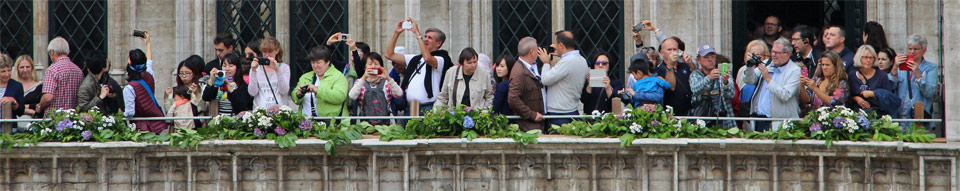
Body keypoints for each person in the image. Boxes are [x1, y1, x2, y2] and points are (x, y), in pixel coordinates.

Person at [384, 18, 453, 113]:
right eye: (425, 37)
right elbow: (389, 54)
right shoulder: (415, 59)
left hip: (429, 108)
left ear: (438, 43)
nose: (425, 39)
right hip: (410, 108)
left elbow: (428, 58)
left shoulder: (442, 58)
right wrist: (396, 33)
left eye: (430, 38)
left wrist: (418, 34)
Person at [743, 38, 802, 131]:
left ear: (787, 54)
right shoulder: (768, 62)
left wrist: (768, 79)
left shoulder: (795, 70)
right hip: (758, 119)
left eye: (777, 53)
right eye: (773, 52)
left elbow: (785, 95)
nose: (773, 55)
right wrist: (749, 67)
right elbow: (749, 80)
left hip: (779, 123)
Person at [537, 31, 588, 126]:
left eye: (556, 43)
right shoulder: (582, 60)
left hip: (559, 115)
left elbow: (545, 79)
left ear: (561, 45)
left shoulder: (567, 62)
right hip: (572, 111)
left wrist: (546, 63)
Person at [123, 31, 168, 133]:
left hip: (141, 128)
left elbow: (130, 113)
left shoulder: (129, 88)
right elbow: (149, 61)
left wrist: (120, 115)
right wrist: (148, 44)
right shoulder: (149, 74)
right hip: (155, 126)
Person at [893, 34, 940, 124]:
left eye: (916, 49)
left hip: (919, 117)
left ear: (924, 50)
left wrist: (917, 74)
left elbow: (930, 92)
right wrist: (894, 67)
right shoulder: (900, 67)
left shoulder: (931, 68)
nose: (912, 52)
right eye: (910, 49)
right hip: (899, 117)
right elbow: (891, 87)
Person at [292, 46, 348, 118]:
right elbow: (294, 98)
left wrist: (317, 90)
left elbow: (339, 97)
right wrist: (299, 94)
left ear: (328, 62)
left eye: (318, 63)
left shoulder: (338, 77)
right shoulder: (305, 76)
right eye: (313, 62)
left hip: (330, 124)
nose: (315, 66)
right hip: (305, 123)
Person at [349, 52, 402, 125]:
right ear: (365, 67)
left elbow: (399, 94)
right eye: (370, 64)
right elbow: (352, 96)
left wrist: (388, 78)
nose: (373, 66)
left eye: (376, 64)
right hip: (364, 124)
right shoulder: (360, 82)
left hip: (386, 123)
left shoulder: (387, 82)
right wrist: (363, 78)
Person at [689, 45, 735, 129]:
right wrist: (709, 78)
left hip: (724, 122)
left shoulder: (723, 72)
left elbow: (732, 95)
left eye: (713, 57)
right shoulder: (695, 74)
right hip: (703, 120)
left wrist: (725, 83)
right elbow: (695, 89)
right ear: (698, 60)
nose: (710, 60)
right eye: (706, 57)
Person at [848, 45, 898, 116]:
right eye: (865, 57)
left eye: (871, 58)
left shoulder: (882, 75)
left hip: (878, 115)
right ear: (859, 58)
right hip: (857, 114)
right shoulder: (852, 75)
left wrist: (873, 93)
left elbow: (888, 96)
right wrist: (856, 99)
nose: (868, 60)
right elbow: (847, 96)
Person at [508, 37, 546, 131]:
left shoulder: (532, 67)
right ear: (531, 52)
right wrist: (532, 114)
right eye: (537, 49)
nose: (538, 51)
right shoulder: (519, 72)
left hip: (537, 125)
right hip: (529, 127)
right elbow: (513, 99)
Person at [38, 37, 83, 113]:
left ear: (52, 52)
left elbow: (48, 97)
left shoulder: (52, 70)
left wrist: (40, 106)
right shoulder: (78, 70)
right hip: (72, 117)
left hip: (55, 118)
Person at [248, 37, 292, 109]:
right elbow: (252, 92)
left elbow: (284, 90)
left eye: (270, 52)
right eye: (264, 52)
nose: (267, 55)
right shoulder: (257, 69)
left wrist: (277, 70)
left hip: (279, 112)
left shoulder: (284, 68)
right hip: (260, 112)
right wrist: (253, 71)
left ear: (277, 51)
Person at [655, 37, 691, 116]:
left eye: (675, 49)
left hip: (688, 112)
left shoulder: (685, 66)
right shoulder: (658, 70)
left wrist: (690, 63)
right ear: (662, 52)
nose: (672, 52)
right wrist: (670, 65)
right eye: (669, 50)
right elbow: (671, 87)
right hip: (670, 112)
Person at [12, 55, 41, 130]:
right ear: (17, 69)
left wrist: (21, 107)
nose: (25, 70)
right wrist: (30, 110)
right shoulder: (13, 86)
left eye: (28, 67)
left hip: (33, 125)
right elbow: (10, 106)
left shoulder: (39, 86)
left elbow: (39, 106)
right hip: (14, 124)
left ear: (32, 68)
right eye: (22, 67)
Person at [0, 54, 24, 118]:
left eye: (9, 70)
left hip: (9, 125)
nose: (7, 74)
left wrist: (13, 101)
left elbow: (20, 111)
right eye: (3, 71)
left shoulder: (17, 86)